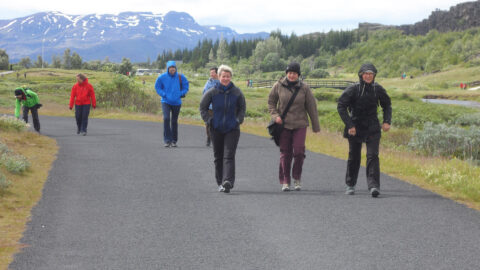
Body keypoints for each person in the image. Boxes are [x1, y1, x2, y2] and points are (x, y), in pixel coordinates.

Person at [337, 63, 392, 198]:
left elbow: (387, 105)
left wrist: (386, 121)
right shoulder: (353, 89)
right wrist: (350, 125)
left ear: (374, 76)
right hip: (355, 127)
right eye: (366, 74)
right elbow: (341, 106)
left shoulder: (377, 89)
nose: (368, 76)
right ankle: (350, 184)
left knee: (373, 156)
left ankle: (374, 186)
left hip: (373, 127)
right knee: (354, 156)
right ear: (361, 75)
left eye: (371, 74)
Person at [268, 62, 320, 192]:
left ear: (298, 75)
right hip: (283, 124)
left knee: (299, 152)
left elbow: (312, 107)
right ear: (286, 73)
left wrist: (316, 126)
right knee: (285, 153)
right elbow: (271, 103)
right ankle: (285, 181)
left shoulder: (305, 88)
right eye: (290, 73)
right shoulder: (278, 85)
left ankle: (297, 177)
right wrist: (275, 116)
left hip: (300, 124)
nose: (292, 75)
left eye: (294, 73)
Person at [200, 65, 246, 193]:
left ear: (231, 77)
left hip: (232, 128)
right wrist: (209, 121)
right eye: (223, 76)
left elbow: (242, 108)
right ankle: (220, 182)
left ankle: (228, 181)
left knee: (229, 155)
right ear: (219, 77)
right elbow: (202, 107)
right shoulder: (212, 92)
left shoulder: (237, 92)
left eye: (228, 76)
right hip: (216, 128)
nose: (226, 78)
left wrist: (238, 120)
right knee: (218, 156)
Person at [155, 61, 189, 147]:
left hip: (177, 102)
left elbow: (186, 87)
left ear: (175, 68)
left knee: (174, 121)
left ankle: (174, 141)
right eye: (170, 68)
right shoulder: (162, 77)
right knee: (166, 119)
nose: (172, 69)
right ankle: (167, 140)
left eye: (173, 68)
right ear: (168, 68)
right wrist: (163, 94)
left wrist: (180, 93)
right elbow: (157, 87)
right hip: (165, 101)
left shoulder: (181, 77)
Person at [202, 67, 219, 147]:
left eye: (213, 72)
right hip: (210, 107)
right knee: (208, 123)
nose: (211, 74)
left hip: (219, 107)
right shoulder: (208, 82)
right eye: (210, 72)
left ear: (217, 73)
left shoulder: (222, 81)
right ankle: (209, 138)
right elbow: (204, 93)